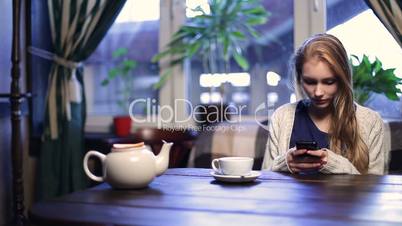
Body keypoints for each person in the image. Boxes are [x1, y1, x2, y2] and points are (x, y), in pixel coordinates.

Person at [262, 33, 386, 175]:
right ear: (299, 78)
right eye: (310, 82)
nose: (318, 92)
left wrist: (332, 164)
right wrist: (285, 163)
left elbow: (374, 189)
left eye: (328, 82)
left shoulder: (371, 122)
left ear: (342, 78)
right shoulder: (281, 117)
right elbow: (265, 179)